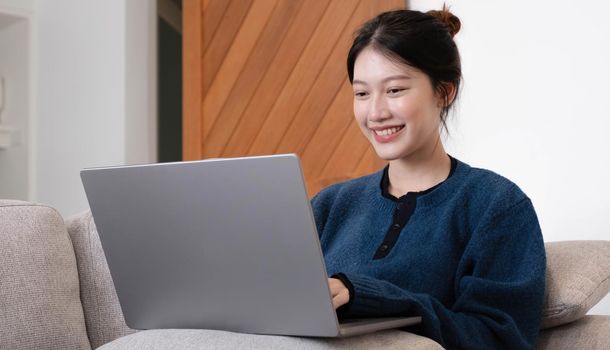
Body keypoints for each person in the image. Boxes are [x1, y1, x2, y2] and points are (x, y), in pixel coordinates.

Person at [311, 7, 546, 350]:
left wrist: (372, 296)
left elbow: (501, 338)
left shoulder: (496, 205)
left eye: (394, 90)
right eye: (362, 93)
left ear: (444, 92)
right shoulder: (331, 205)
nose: (375, 112)